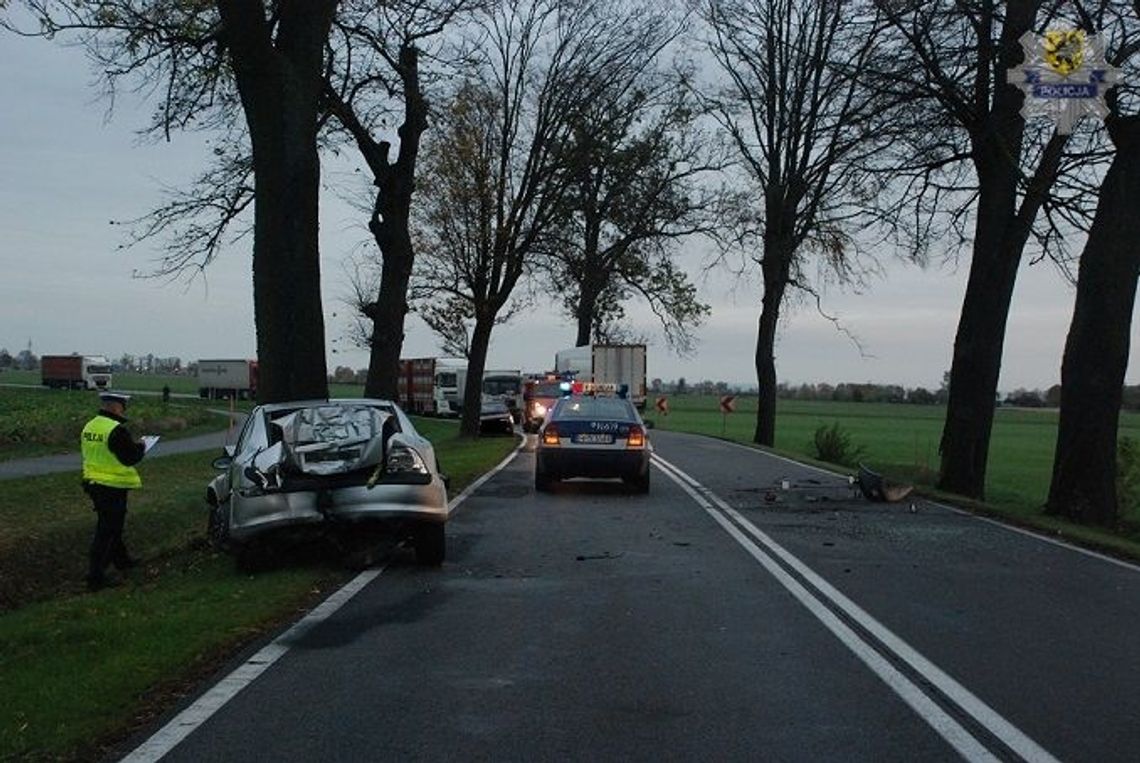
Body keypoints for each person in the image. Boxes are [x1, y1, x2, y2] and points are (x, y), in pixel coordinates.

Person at [81, 391, 146, 591]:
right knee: (108, 531)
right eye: (123, 406)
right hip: (112, 485)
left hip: (93, 482)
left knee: (110, 525)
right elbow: (130, 458)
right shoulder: (116, 430)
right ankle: (96, 577)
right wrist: (141, 447)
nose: (124, 410)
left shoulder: (90, 425)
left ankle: (122, 560)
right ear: (116, 407)